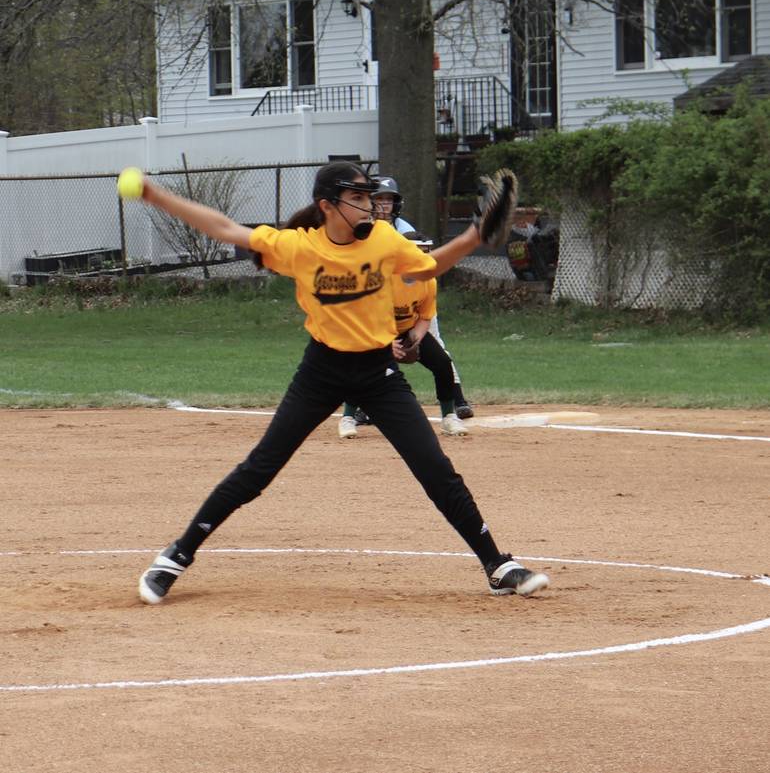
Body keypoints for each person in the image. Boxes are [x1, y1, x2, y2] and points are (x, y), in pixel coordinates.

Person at [134, 160, 550, 604]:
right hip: (321, 372)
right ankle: (175, 557)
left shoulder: (385, 240)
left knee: (436, 471)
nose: (370, 206)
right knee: (258, 471)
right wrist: (156, 195)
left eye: (370, 197)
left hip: (378, 373)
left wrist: (472, 236)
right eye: (358, 198)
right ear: (328, 205)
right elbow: (223, 228)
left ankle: (497, 564)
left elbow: (426, 269)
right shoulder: (299, 247)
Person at [342, 175, 474, 434]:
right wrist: (387, 342)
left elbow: (425, 316)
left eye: (389, 200)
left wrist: (414, 339)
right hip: (375, 320)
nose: (384, 205)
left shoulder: (406, 234)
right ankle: (352, 414)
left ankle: (453, 407)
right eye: (379, 199)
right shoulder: (364, 231)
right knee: (367, 363)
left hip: (411, 317)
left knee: (439, 356)